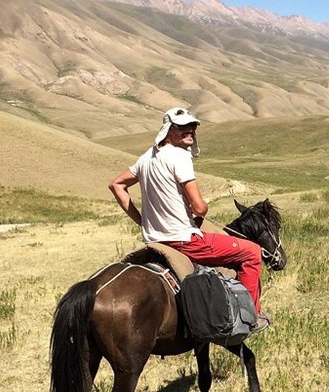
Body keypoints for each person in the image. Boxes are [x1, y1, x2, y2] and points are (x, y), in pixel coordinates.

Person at [108, 107, 270, 332]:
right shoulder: (180, 156)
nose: (191, 131)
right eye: (183, 127)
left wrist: (142, 221)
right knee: (251, 252)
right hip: (183, 239)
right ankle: (251, 317)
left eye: (193, 126)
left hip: (155, 239)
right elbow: (199, 207)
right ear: (169, 130)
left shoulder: (146, 157)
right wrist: (201, 208)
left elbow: (116, 185)